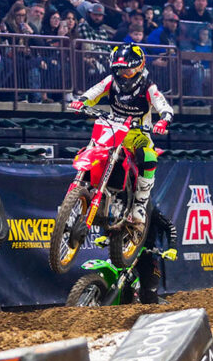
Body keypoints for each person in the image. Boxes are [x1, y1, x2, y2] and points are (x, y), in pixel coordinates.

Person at [69, 44, 173, 227]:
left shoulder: (148, 86)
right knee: (92, 149)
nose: (124, 75)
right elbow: (93, 93)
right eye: (120, 71)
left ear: (140, 67)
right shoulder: (111, 81)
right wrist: (81, 101)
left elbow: (163, 105)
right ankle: (81, 190)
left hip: (138, 134)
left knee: (148, 158)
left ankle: (140, 204)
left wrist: (164, 120)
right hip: (112, 129)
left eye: (129, 71)